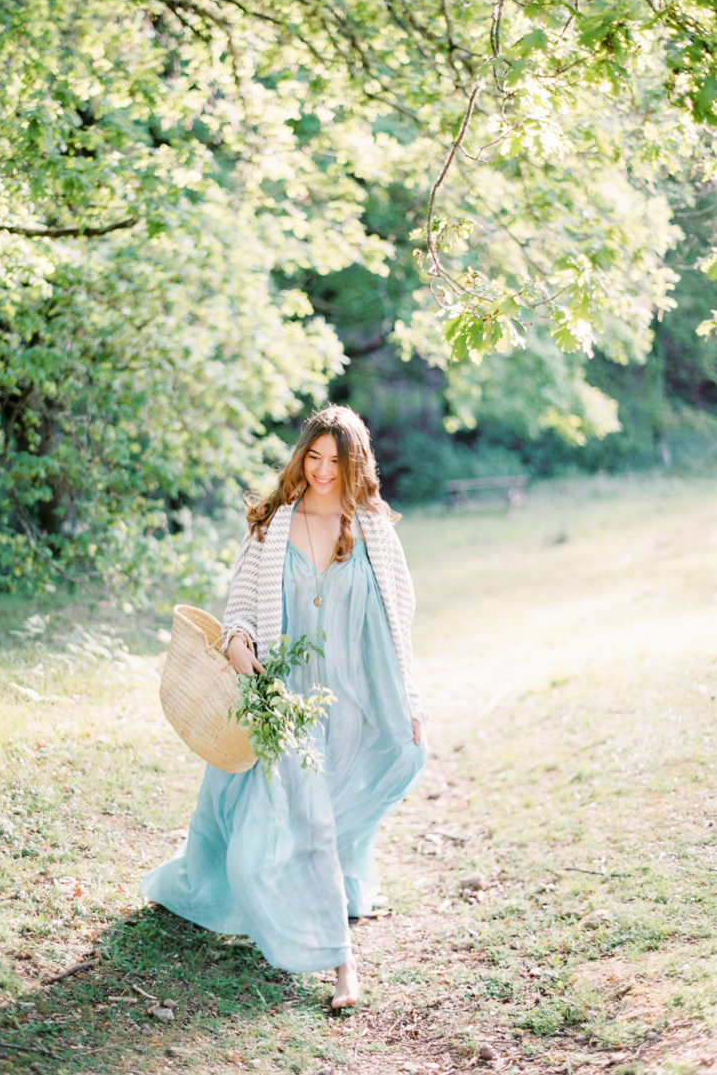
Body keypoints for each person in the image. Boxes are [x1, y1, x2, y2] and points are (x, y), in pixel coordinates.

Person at [140, 405, 426, 1009]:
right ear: (302, 457)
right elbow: (238, 612)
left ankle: (317, 905)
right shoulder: (271, 526)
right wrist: (240, 642)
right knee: (298, 827)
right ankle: (344, 968)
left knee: (328, 814)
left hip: (352, 700)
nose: (324, 471)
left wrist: (411, 701)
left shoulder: (373, 527)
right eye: (314, 457)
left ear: (356, 463)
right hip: (287, 703)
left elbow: (401, 623)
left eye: (337, 460)